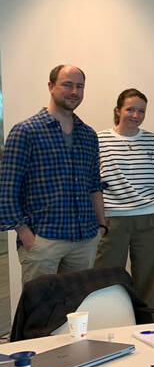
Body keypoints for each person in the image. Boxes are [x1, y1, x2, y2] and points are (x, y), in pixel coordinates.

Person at [0, 65, 107, 283]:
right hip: (43, 239)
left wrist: (101, 226)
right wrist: (25, 234)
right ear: (51, 86)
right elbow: (7, 189)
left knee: (77, 308)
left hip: (85, 238)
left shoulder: (88, 135)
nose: (74, 91)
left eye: (80, 86)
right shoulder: (26, 131)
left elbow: (94, 184)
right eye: (67, 84)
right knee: (41, 309)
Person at [94, 88, 154, 310]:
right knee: (104, 283)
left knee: (151, 284)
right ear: (118, 110)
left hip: (150, 220)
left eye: (141, 111)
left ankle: (149, 331)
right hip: (112, 221)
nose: (135, 115)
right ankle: (108, 332)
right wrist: (100, 217)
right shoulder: (98, 140)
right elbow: (90, 181)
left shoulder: (153, 141)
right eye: (130, 109)